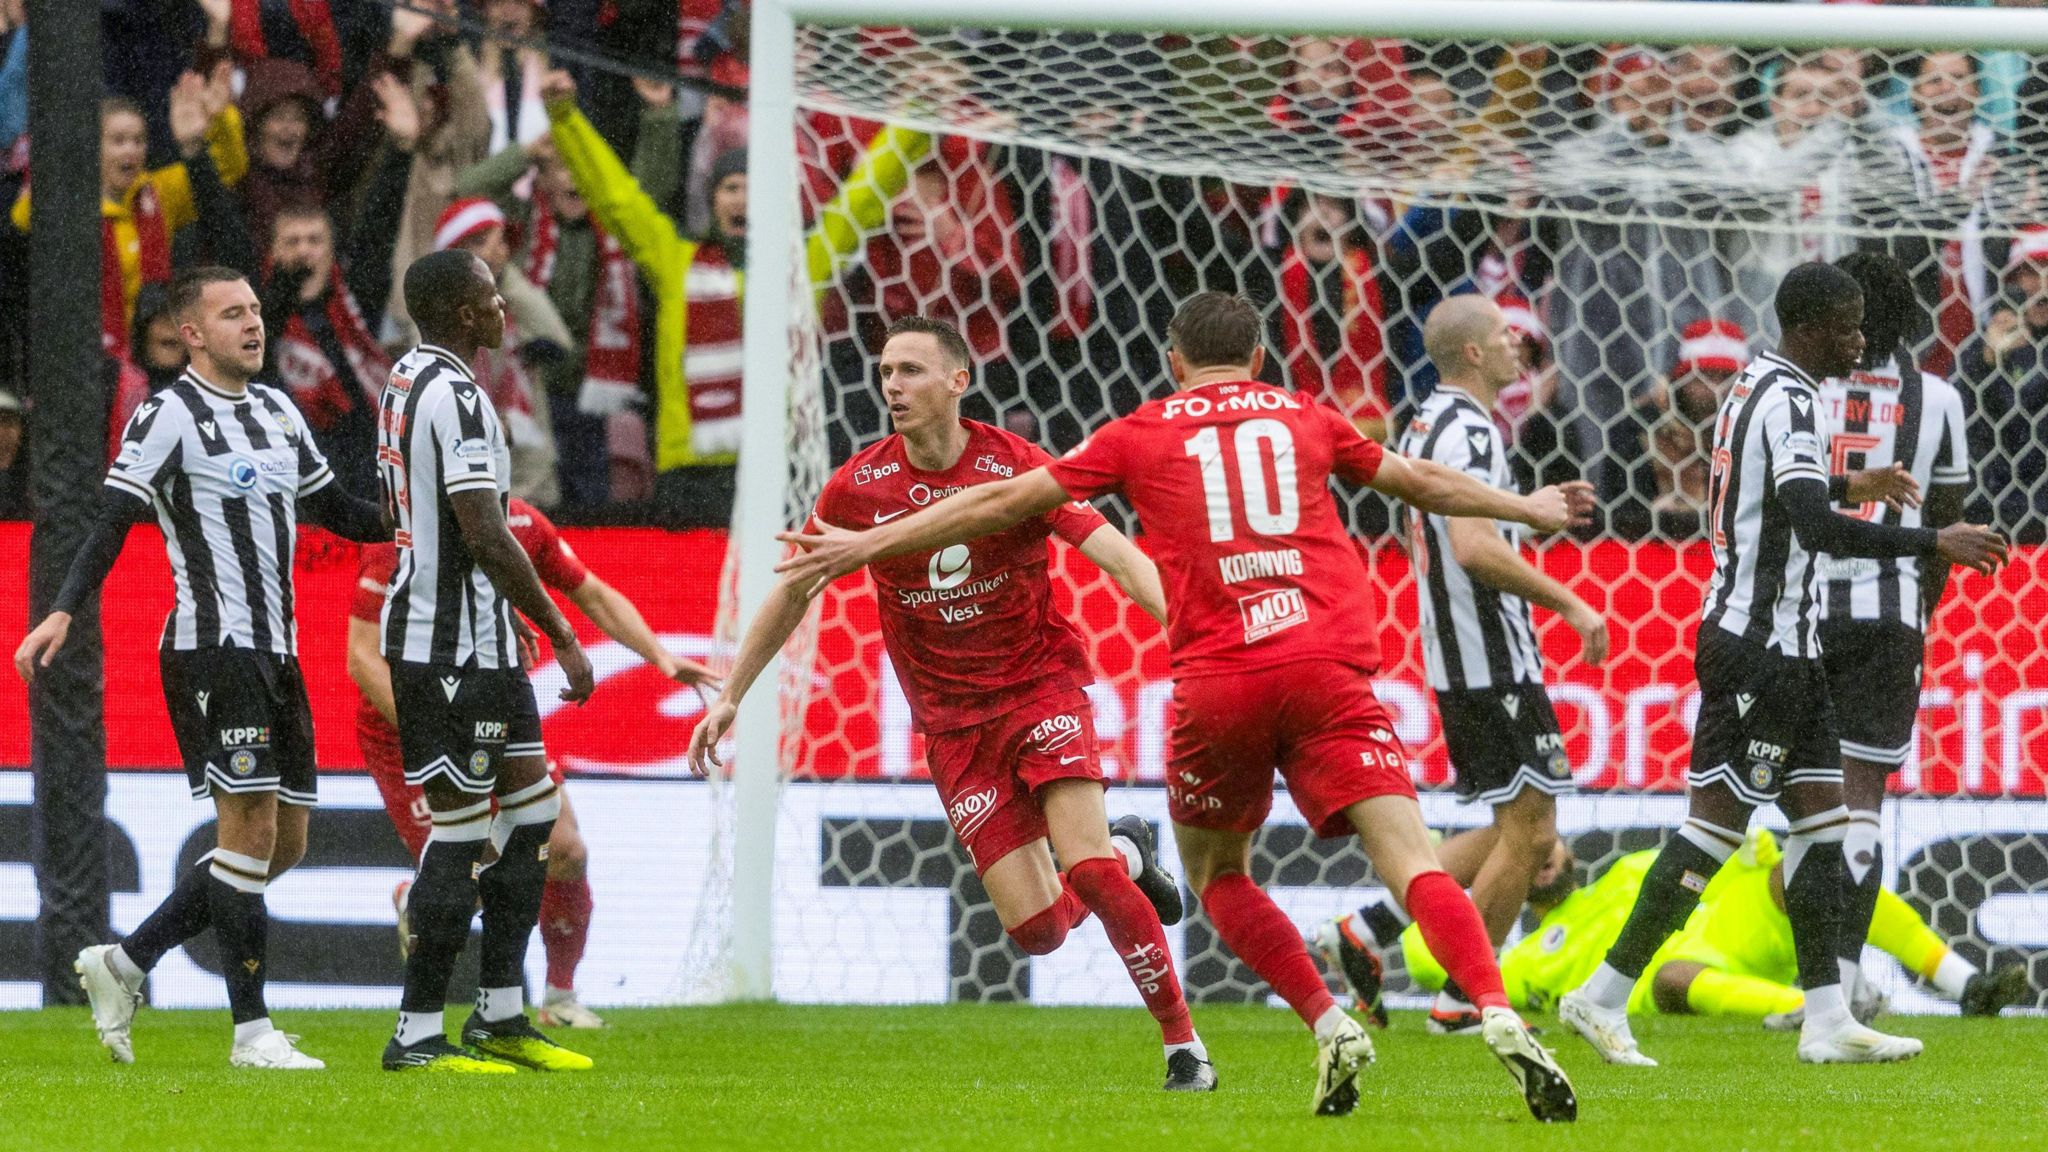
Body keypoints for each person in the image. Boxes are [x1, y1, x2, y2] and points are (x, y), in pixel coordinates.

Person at [774, 293, 1589, 1121]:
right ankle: (1490, 1006)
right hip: (1325, 661)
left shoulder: (1141, 430)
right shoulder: (1306, 416)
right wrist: (1524, 506)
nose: (893, 383)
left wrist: (865, 546)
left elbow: (1002, 505)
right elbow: (1420, 482)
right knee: (1412, 861)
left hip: (1217, 677)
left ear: (1173, 361)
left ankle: (1326, 1017)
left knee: (1218, 875)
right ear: (1263, 358)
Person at [690, 318, 1214, 1093]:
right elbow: (795, 590)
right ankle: (1137, 850)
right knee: (1038, 931)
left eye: (909, 370)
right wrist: (731, 693)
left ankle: (1183, 1049)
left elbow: (1115, 553)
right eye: (884, 371)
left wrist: (1191, 633)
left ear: (958, 380)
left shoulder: (1015, 466)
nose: (891, 386)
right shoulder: (858, 490)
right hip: (952, 725)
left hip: (1040, 688)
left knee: (1092, 871)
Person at [1557, 262, 2008, 1067]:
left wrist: (1851, 478)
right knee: (1713, 830)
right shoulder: (1795, 396)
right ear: (1808, 328)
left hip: (1789, 649)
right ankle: (1599, 996)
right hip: (1758, 648)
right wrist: (1933, 540)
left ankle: (1827, 1018)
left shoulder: (1758, 387)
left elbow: (1776, 490)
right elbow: (1812, 524)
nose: (1859, 340)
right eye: (1846, 326)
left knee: (1826, 827)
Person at [13, 266, 387, 1069]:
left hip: (280, 651)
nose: (253, 323)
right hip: (214, 649)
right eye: (232, 314)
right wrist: (63, 607)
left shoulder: (280, 410)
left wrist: (419, 511)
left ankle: (124, 962)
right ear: (191, 334)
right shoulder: (167, 415)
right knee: (248, 836)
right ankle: (252, 1034)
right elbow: (111, 520)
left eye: (254, 309)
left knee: (282, 846)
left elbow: (337, 513)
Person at [1316, 296, 1608, 1034]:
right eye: (1507, 335)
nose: (1518, 345)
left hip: (1460, 656)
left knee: (1512, 822)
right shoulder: (1471, 427)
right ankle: (1464, 996)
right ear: (1475, 354)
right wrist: (1572, 604)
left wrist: (1526, 505)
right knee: (1534, 831)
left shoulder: (1430, 419)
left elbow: (1465, 519)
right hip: (1490, 657)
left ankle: (1374, 929)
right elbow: (1473, 549)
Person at [348, 497, 719, 1028]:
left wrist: (658, 654)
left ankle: (559, 998)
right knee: (466, 869)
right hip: (405, 726)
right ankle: (425, 1020)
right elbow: (362, 657)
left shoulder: (519, 521)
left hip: (495, 703)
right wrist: (429, 729)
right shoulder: (399, 544)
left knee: (564, 849)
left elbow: (588, 589)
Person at [374, 248, 596, 1073]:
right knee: (462, 833)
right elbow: (481, 526)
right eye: (494, 297)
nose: (505, 308)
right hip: (448, 647)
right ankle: (417, 1033)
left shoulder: (405, 378)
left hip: (479, 641)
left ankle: (501, 1013)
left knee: (535, 814)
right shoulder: (459, 395)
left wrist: (512, 620)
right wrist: (563, 632)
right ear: (467, 314)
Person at [1813, 251, 1975, 1021]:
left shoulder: (1799, 388)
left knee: (1802, 806)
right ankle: (1843, 984)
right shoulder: (1936, 397)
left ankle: (1829, 992)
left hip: (1801, 610)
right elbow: (1946, 520)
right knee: (1862, 801)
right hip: (1890, 613)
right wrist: (1918, 608)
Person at [1401, 835, 2030, 1022]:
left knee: (1803, 870)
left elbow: (1715, 853)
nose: (1541, 856)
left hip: (1741, 924)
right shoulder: (1528, 957)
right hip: (1674, 976)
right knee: (1675, 977)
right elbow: (1432, 962)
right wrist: (1430, 885)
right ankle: (1816, 1009)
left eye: (1548, 844)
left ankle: (1965, 984)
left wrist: (1756, 847)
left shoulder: (1630, 868)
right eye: (1522, 855)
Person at [543, 71, 744, 524]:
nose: (742, 199)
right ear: (712, 201)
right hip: (685, 475)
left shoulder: (797, 267)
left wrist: (918, 114)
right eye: (731, 187)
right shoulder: (676, 260)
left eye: (752, 187)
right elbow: (617, 198)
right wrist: (565, 118)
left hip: (764, 468)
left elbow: (861, 203)